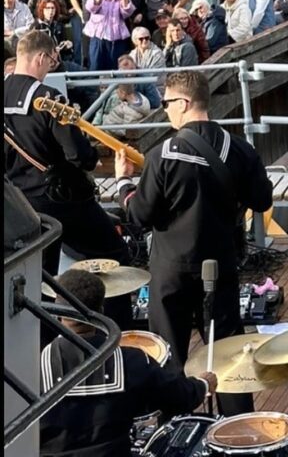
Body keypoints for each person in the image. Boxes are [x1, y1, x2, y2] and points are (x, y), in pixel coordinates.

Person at [115, 70, 272, 416]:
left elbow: (139, 216)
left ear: (184, 103)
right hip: (221, 266)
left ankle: (176, 431)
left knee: (171, 356)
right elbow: (262, 200)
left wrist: (124, 183)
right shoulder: (240, 149)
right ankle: (239, 434)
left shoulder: (163, 154)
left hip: (171, 269)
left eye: (168, 102)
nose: (165, 109)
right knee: (230, 354)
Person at [39, 268, 216, 457]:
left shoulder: (30, 368)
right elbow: (179, 397)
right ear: (101, 312)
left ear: (58, 313)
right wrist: (203, 384)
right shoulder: (132, 361)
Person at [4, 30, 130, 288]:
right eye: (52, 60)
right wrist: (91, 156)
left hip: (16, 201)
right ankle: (109, 324)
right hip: (59, 200)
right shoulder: (49, 98)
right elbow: (78, 155)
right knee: (114, 256)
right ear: (40, 57)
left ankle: (45, 328)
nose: (52, 67)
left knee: (39, 279)